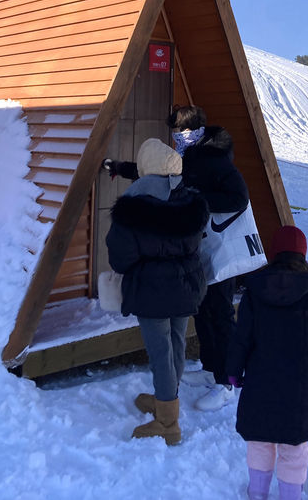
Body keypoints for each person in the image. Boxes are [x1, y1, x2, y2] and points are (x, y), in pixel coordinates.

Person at [104, 104, 250, 412]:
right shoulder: (185, 157)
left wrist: (195, 203)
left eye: (182, 131)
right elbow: (157, 173)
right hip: (198, 246)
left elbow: (239, 198)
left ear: (196, 130)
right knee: (203, 311)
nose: (177, 138)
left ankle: (227, 383)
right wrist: (120, 167)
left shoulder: (216, 158)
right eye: (175, 132)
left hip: (219, 248)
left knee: (221, 315)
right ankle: (211, 369)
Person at [105, 138, 208, 445]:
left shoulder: (132, 207)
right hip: (187, 286)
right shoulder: (190, 201)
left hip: (151, 290)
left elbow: (119, 257)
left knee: (160, 352)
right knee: (176, 343)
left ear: (146, 165)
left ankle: (167, 422)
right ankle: (168, 397)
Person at [226, 225, 308, 500]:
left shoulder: (254, 290)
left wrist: (233, 371)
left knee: (260, 442)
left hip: (259, 383)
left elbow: (241, 336)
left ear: (273, 253)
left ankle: (257, 493)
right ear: (303, 255)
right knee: (294, 448)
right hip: (298, 388)